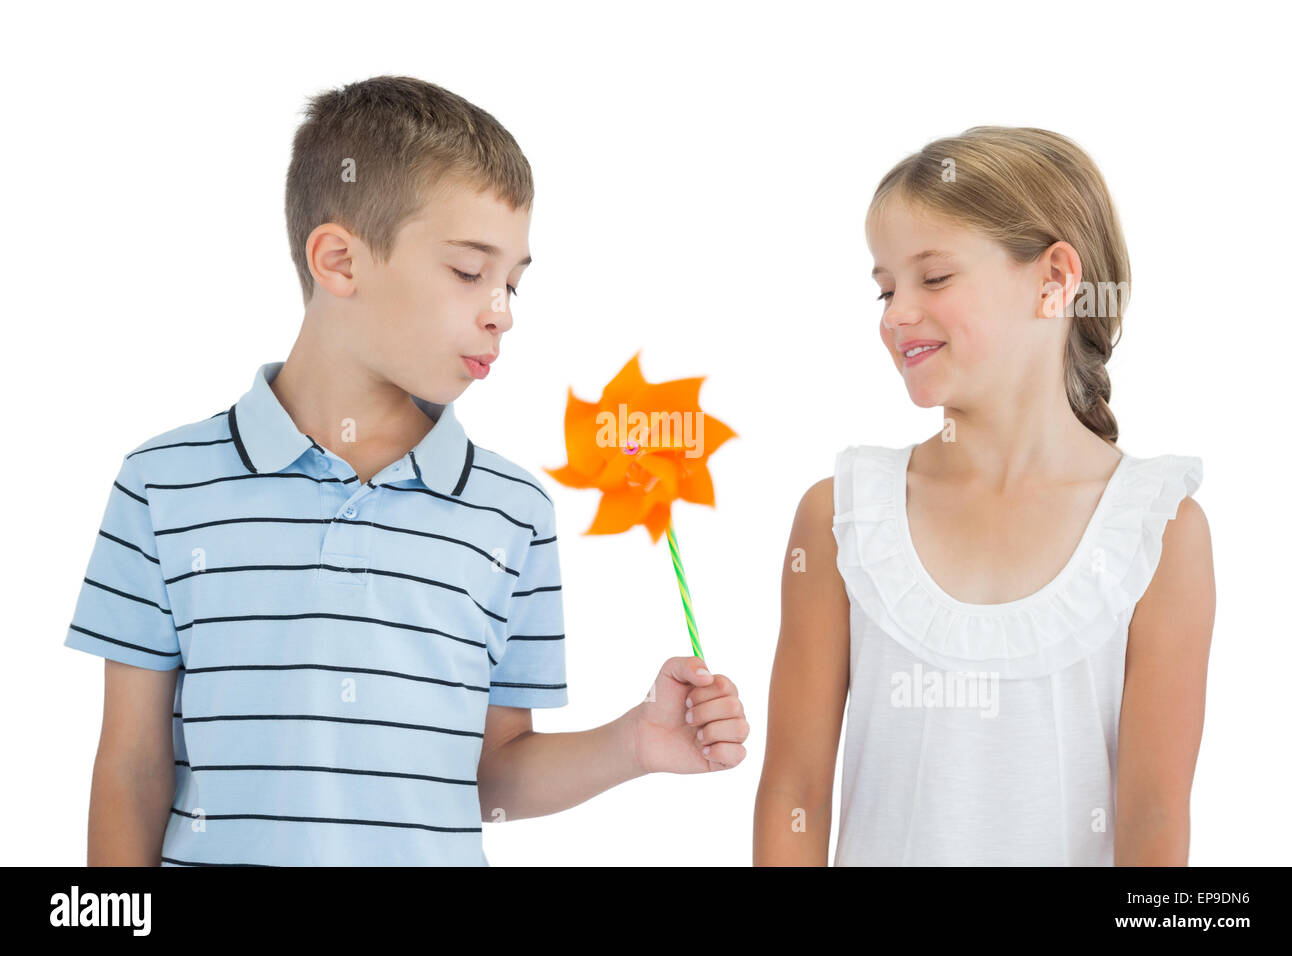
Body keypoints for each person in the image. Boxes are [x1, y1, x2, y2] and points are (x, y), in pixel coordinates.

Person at [64, 75, 748, 866]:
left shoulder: (512, 513)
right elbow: (130, 767)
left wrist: (634, 742)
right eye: (468, 272)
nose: (503, 310)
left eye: (514, 282)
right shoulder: (164, 484)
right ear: (339, 261)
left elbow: (490, 775)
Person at [754, 127, 1213, 866]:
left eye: (933, 278)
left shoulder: (1159, 529)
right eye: (885, 287)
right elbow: (795, 790)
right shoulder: (840, 515)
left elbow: (1154, 816)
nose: (895, 313)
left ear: (1055, 279)